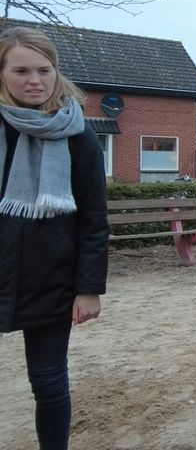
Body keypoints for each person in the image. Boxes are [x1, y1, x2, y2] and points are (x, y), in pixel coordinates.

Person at [0, 26, 108, 450]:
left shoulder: (78, 136)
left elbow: (94, 220)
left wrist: (89, 289)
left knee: (48, 381)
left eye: (44, 70)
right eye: (21, 70)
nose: (34, 80)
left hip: (50, 279)